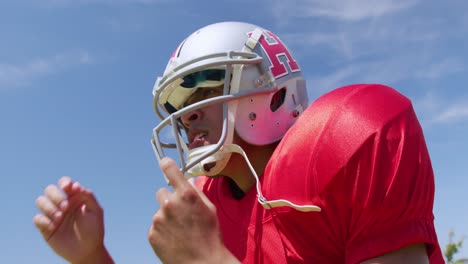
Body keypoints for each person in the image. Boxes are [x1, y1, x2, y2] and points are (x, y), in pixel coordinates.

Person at [34, 21, 444, 263]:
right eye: (180, 103)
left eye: (203, 90)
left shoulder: (348, 135)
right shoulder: (208, 203)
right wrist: (92, 257)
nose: (189, 113)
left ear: (269, 89)